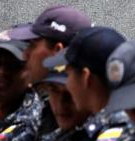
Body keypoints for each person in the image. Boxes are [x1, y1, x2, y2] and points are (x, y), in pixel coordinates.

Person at [10, 5, 93, 133]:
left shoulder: (80, 114)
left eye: (32, 45)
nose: (25, 54)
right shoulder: (46, 104)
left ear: (57, 51)